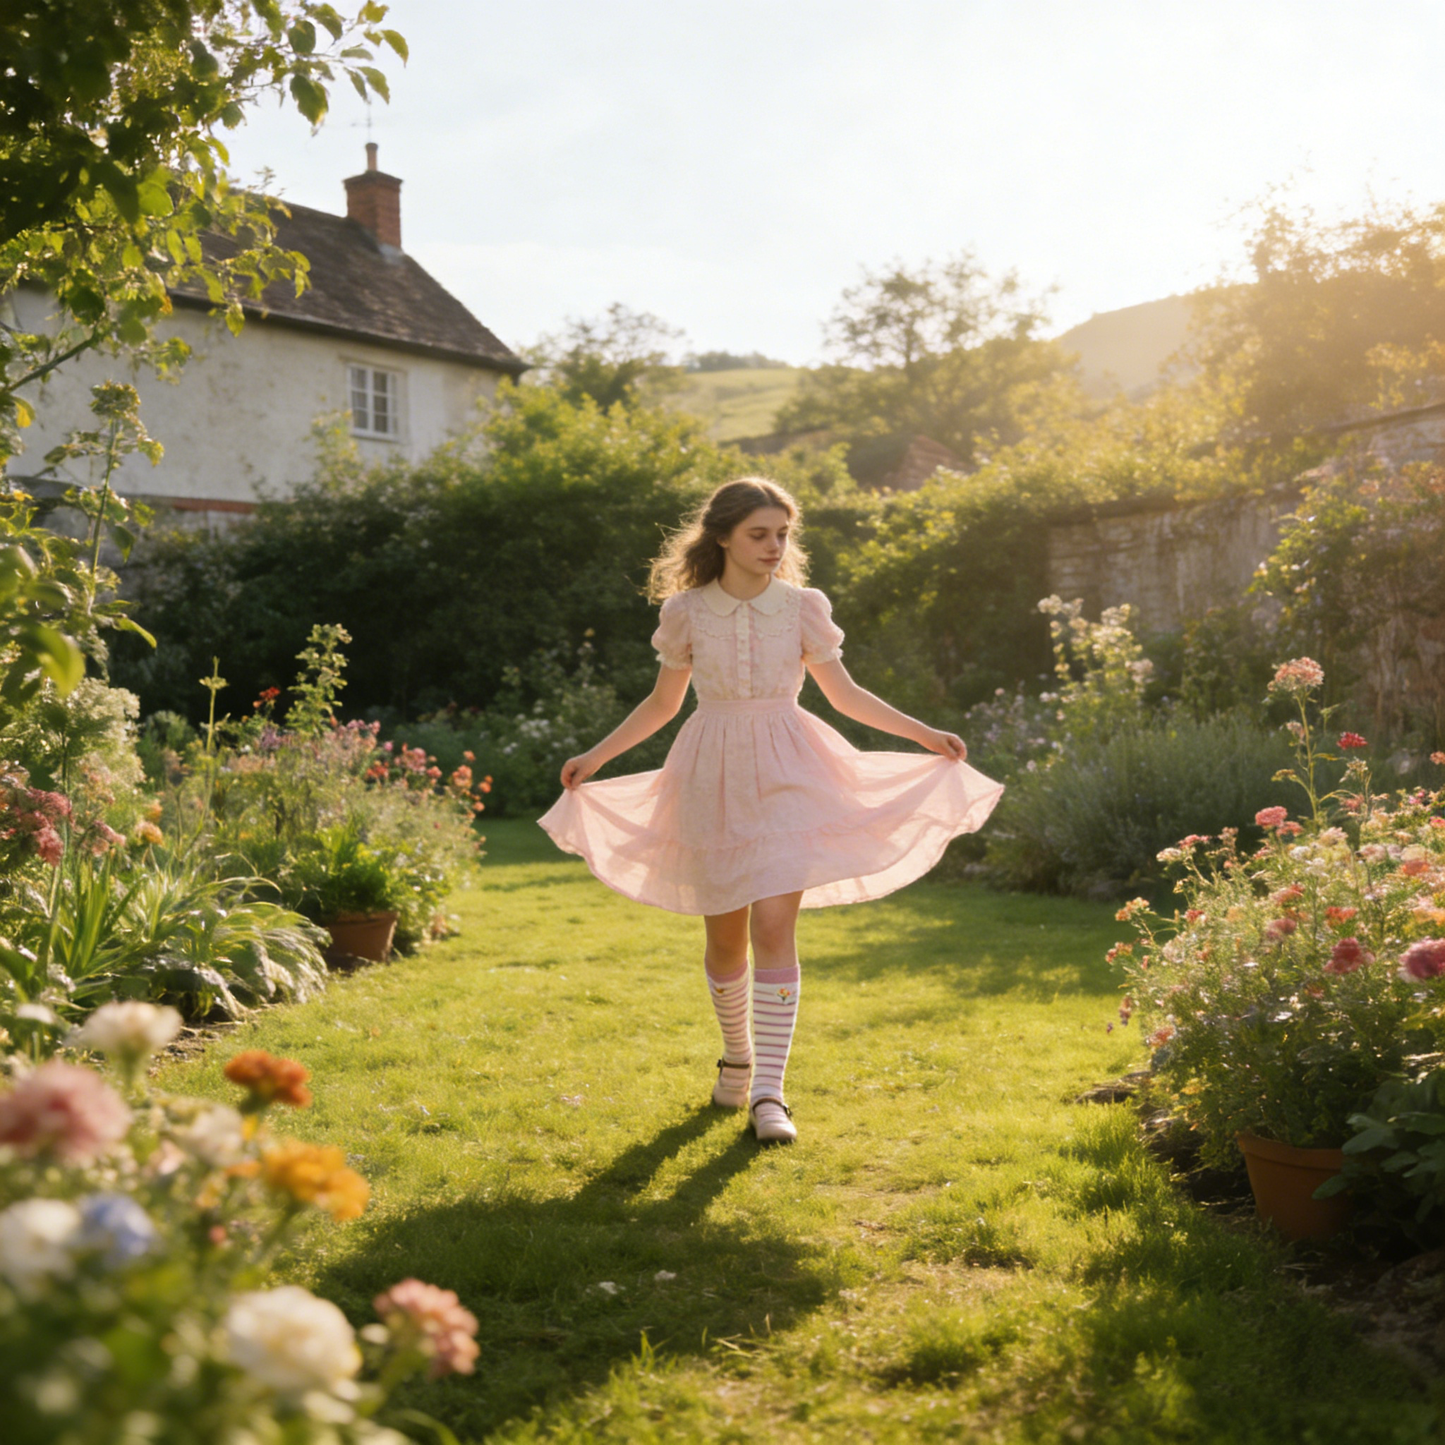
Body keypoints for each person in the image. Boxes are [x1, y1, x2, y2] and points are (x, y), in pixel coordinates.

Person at [539, 477, 1003, 1143]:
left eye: (782, 534)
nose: (773, 546)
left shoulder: (803, 607)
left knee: (775, 925)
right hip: (711, 775)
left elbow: (843, 694)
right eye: (758, 533)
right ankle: (736, 1058)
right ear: (723, 537)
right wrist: (596, 755)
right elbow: (663, 704)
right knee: (725, 940)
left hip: (792, 768)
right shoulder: (686, 612)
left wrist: (924, 734)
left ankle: (769, 1093)